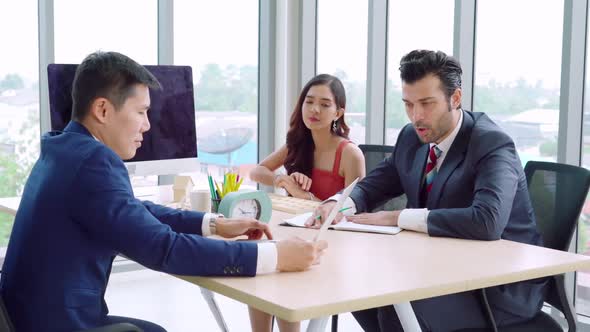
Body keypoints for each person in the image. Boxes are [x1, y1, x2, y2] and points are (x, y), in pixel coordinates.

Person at [0, 51, 328, 332]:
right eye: (141, 112)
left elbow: (132, 209)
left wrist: (213, 224)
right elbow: (163, 249)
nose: (147, 125)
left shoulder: (64, 148)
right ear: (102, 110)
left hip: (28, 316)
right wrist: (276, 256)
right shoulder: (93, 162)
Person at [310, 50, 546, 331]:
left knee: (395, 307)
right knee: (357, 288)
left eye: (426, 104)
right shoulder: (412, 136)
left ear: (455, 98)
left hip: (498, 287)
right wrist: (338, 206)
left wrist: (398, 217)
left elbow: (487, 222)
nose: (416, 116)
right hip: (438, 269)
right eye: (408, 105)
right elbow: (373, 186)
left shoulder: (491, 143)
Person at [249, 74, 365, 331]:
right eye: (309, 101)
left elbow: (356, 207)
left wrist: (308, 199)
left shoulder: (349, 154)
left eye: (325, 104)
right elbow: (257, 171)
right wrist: (283, 180)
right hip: (295, 233)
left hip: (333, 244)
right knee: (261, 267)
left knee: (275, 271)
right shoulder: (298, 145)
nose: (314, 110)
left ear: (338, 112)